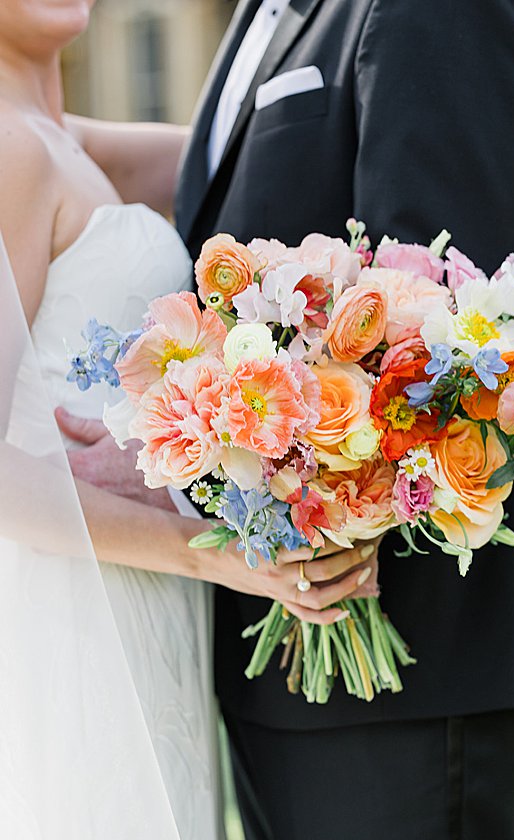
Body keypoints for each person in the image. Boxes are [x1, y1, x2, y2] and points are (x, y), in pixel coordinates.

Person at [62, 1, 514, 838]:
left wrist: (186, 469)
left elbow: (437, 333)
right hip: (272, 673)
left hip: (402, 672)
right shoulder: (268, 14)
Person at [0, 2, 376, 836]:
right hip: (71, 604)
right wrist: (217, 554)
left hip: (144, 601)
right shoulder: (11, 150)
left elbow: (266, 154)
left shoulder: (70, 141)